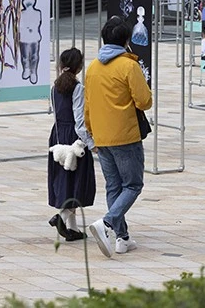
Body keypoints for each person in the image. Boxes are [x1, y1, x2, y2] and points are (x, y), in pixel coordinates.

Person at [85, 16, 153, 258]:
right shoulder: (128, 66)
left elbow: (87, 105)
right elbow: (145, 101)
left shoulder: (93, 67)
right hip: (125, 136)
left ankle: (122, 238)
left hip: (101, 137)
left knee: (113, 187)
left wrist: (92, 134)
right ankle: (107, 223)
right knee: (133, 185)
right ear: (126, 40)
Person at [48, 47, 96, 242]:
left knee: (65, 180)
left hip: (58, 135)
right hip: (74, 138)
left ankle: (73, 229)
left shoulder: (54, 88)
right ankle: (63, 217)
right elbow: (79, 120)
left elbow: (55, 113)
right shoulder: (78, 88)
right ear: (79, 66)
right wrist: (91, 143)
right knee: (78, 181)